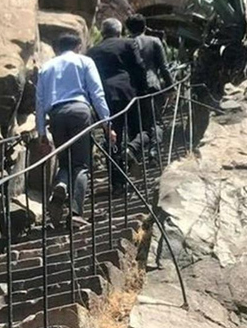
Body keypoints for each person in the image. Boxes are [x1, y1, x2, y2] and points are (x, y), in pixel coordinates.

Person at [36, 32, 116, 225]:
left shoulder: (45, 68)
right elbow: (97, 93)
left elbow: (39, 102)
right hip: (80, 112)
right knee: (81, 165)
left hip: (56, 115)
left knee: (65, 162)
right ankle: (75, 213)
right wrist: (107, 123)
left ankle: (61, 184)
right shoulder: (84, 61)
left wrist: (42, 134)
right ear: (78, 46)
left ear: (57, 48)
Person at [87, 18, 148, 189]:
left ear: (103, 32)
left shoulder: (92, 51)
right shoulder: (128, 44)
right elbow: (138, 66)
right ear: (119, 31)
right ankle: (131, 149)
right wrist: (143, 91)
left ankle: (117, 182)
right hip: (128, 93)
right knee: (143, 129)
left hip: (104, 98)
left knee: (112, 138)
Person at [126, 13, 173, 161]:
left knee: (136, 124)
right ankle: (154, 152)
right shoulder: (154, 41)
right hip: (152, 86)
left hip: (132, 89)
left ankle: (134, 152)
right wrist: (171, 88)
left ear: (128, 29)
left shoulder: (125, 44)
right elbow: (163, 67)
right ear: (145, 26)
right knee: (155, 122)